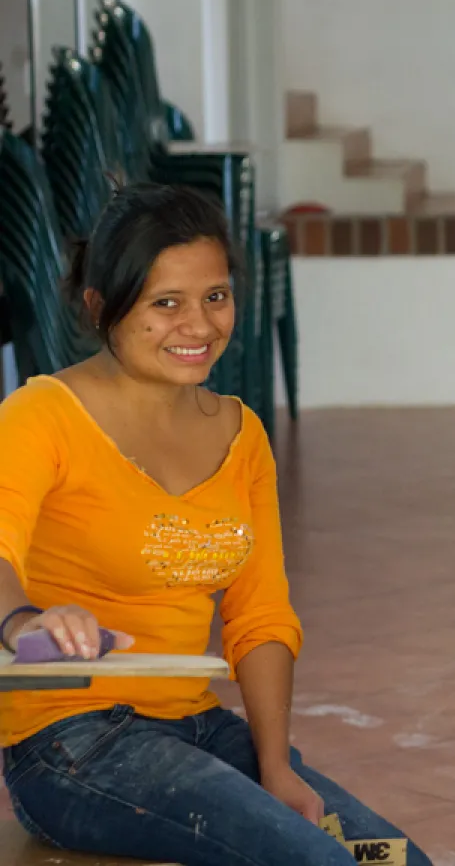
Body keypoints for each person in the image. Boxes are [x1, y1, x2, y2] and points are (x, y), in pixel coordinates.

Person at [0, 184, 432, 866]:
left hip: (198, 727)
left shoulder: (241, 433)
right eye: (165, 303)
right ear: (100, 306)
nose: (198, 326)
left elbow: (261, 615)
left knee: (396, 860)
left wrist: (275, 765)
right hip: (72, 743)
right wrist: (23, 620)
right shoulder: (41, 416)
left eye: (215, 296)